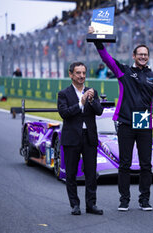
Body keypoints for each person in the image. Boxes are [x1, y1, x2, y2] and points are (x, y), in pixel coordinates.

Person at [89, 27, 153, 212]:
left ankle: (144, 200)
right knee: (125, 164)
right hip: (125, 123)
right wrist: (97, 40)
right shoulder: (123, 72)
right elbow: (106, 59)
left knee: (146, 165)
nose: (143, 57)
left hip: (144, 124)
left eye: (145, 54)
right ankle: (124, 200)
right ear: (134, 55)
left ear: (148, 56)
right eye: (140, 54)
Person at [57, 62, 104, 215]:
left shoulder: (92, 92)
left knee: (91, 173)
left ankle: (91, 205)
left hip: (89, 137)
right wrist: (81, 102)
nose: (82, 76)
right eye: (78, 73)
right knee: (71, 173)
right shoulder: (63, 94)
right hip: (71, 138)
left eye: (83, 73)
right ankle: (74, 205)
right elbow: (64, 113)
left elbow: (99, 111)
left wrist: (91, 100)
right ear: (71, 74)